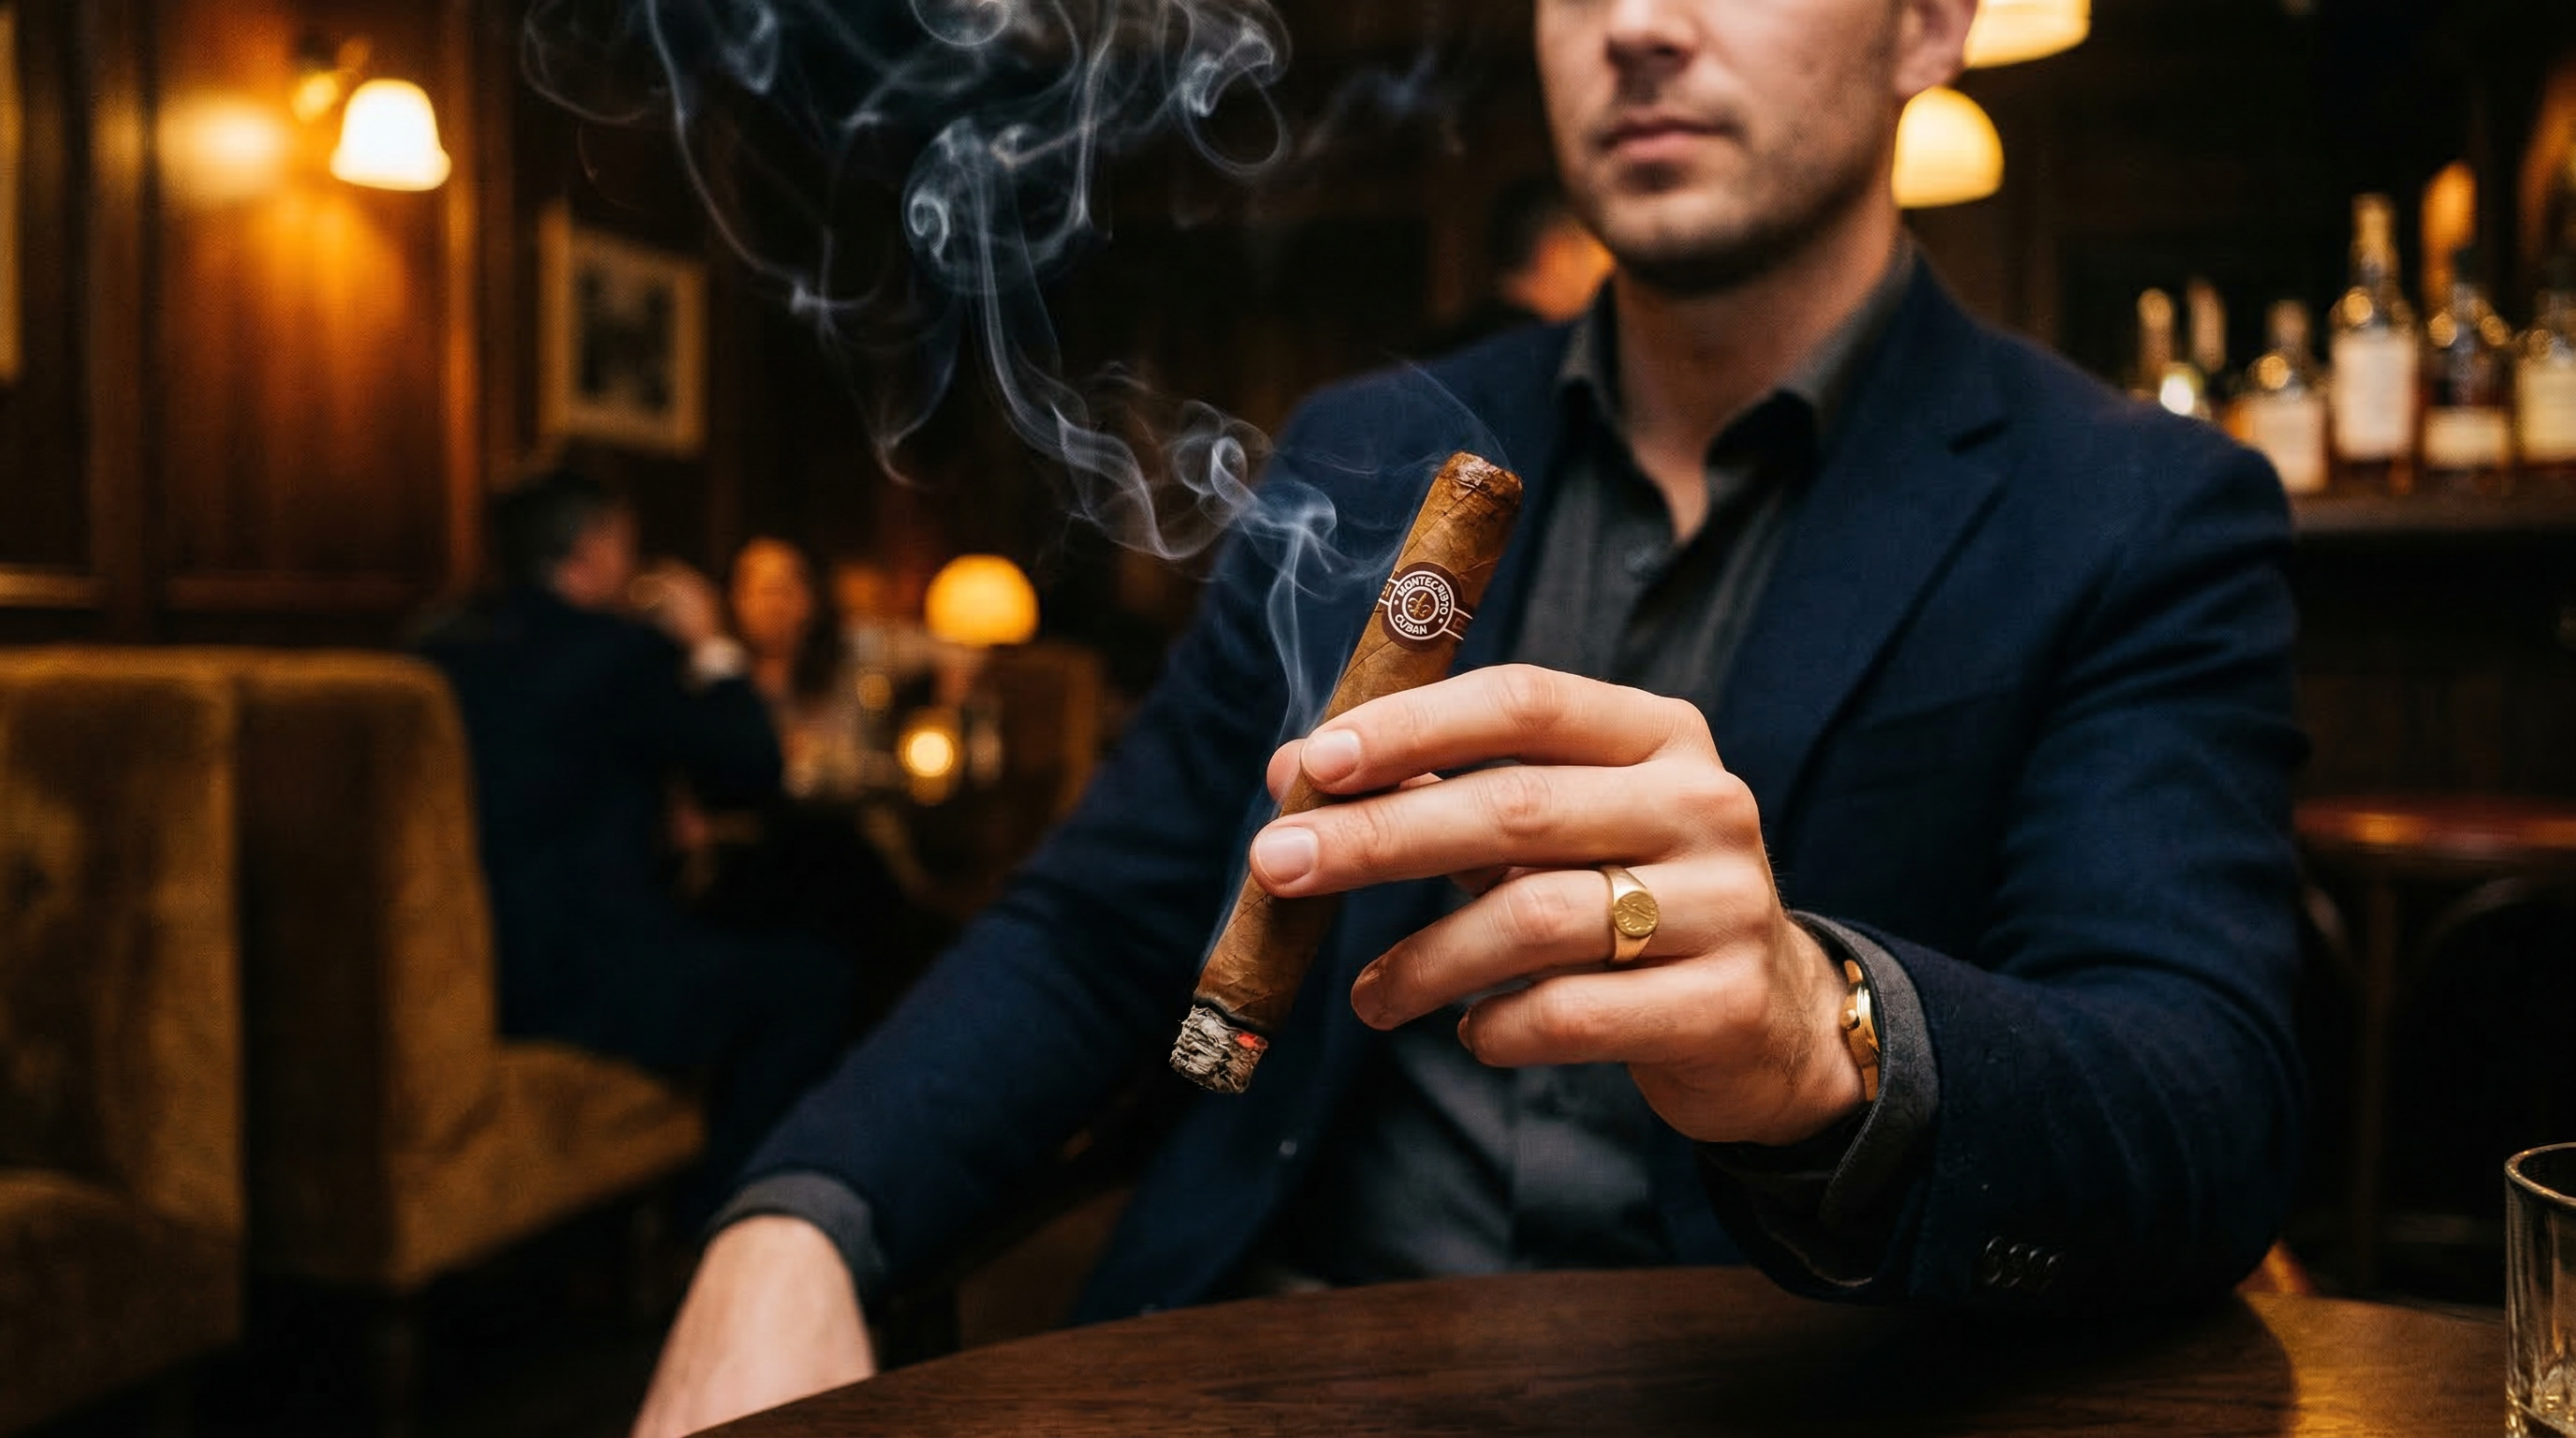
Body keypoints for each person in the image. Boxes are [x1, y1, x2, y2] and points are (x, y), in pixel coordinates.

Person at [633, 0, 2307, 1431]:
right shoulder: (1367, 450)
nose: (1638, 26)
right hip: (1280, 1357)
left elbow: (2204, 1102)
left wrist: (1825, 1032)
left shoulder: (2131, 507)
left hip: (1786, 1396)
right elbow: (1097, 929)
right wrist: (801, 1215)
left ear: (1933, 26)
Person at [416, 470, 857, 1211]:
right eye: (625, 545)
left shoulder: (433, 645)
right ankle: (714, 1218)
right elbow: (756, 764)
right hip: (576, 975)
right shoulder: (618, 652)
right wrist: (711, 644)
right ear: (592, 548)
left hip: (454, 971)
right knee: (816, 984)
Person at [1420, 175, 1617, 352]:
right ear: (1557, 256)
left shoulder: (1441, 349)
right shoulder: (1549, 361)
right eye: (1606, 252)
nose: (1614, 269)